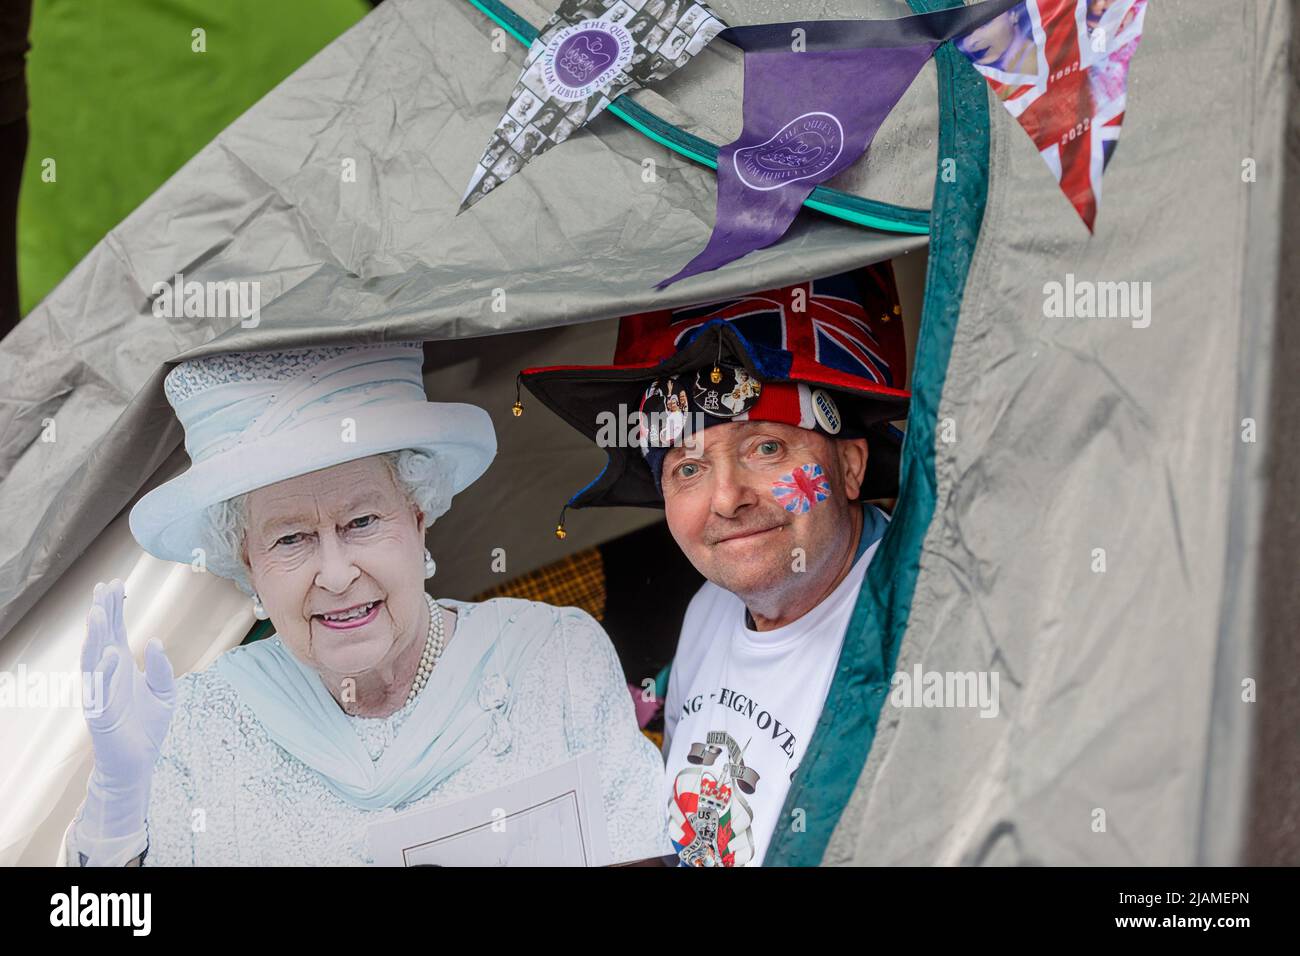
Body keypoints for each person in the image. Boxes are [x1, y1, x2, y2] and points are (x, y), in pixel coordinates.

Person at [64, 341, 668, 866]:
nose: (335, 573)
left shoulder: (556, 658)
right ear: (247, 561)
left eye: (361, 521)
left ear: (418, 516)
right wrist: (118, 805)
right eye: (291, 538)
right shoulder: (194, 725)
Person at [518, 264, 909, 866]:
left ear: (850, 467)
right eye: (689, 469)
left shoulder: (919, 628)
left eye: (767, 448)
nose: (728, 499)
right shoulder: (710, 610)